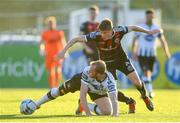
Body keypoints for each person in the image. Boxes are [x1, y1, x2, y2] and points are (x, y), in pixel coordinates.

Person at [56, 18, 161, 112]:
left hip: (121, 60)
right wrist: (63, 51)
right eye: (101, 32)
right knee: (110, 88)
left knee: (137, 82)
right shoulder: (96, 35)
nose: (102, 35)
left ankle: (144, 97)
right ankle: (129, 101)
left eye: (105, 32)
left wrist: (149, 32)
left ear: (112, 30)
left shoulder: (119, 31)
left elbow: (133, 27)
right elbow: (75, 39)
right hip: (107, 65)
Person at [76, 5, 135, 115]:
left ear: (97, 13)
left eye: (94, 12)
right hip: (91, 55)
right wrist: (86, 48)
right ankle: (86, 102)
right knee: (93, 81)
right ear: (89, 14)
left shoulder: (101, 25)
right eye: (91, 12)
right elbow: (80, 38)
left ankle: (125, 101)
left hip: (102, 57)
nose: (92, 14)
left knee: (108, 83)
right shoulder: (85, 25)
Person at [29, 60, 119, 116]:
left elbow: (114, 99)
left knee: (107, 112)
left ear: (99, 74)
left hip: (97, 90)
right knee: (58, 92)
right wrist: (88, 114)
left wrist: (115, 115)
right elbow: (83, 93)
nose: (89, 72)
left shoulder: (110, 81)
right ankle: (36, 104)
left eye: (92, 71)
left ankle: (82, 105)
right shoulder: (87, 72)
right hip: (78, 82)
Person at [131, 9, 171, 98]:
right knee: (146, 72)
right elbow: (134, 40)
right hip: (142, 54)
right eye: (148, 16)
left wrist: (166, 52)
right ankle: (150, 92)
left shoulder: (157, 28)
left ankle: (144, 93)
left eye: (151, 16)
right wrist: (134, 52)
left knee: (148, 73)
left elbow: (163, 41)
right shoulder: (140, 27)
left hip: (152, 54)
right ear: (146, 16)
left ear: (153, 17)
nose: (149, 18)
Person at [40, 16, 66, 88]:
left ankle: (57, 86)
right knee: (50, 72)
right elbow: (42, 43)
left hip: (58, 53)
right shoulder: (44, 33)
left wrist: (65, 52)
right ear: (47, 24)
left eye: (52, 23)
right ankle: (51, 87)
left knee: (58, 70)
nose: (51, 25)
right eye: (49, 23)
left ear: (55, 24)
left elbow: (63, 42)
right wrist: (42, 50)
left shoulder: (59, 32)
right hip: (48, 54)